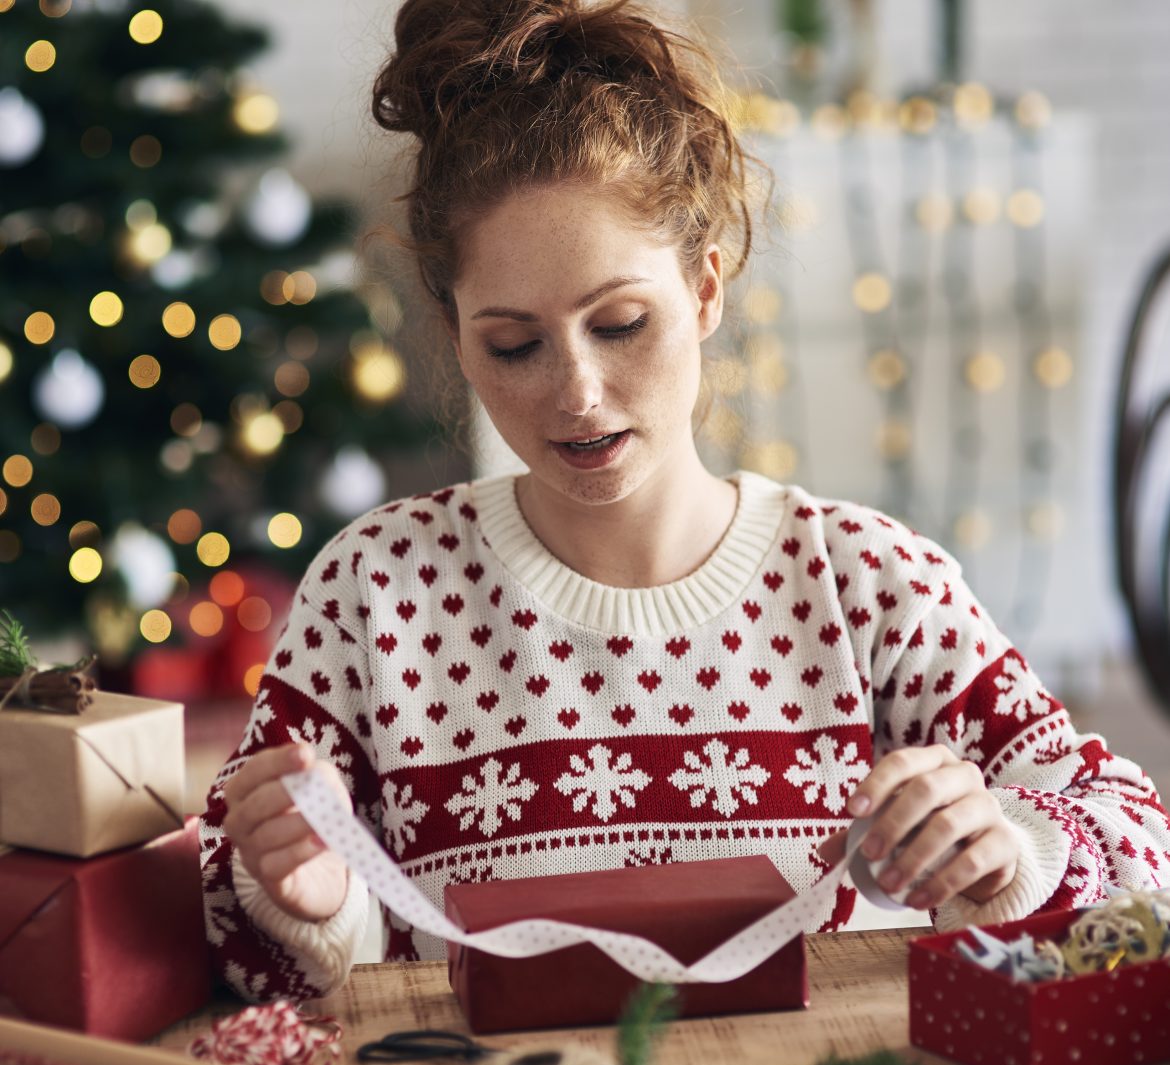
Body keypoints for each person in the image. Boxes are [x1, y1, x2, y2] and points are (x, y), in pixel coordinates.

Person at [200, 0, 1170, 1002]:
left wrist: (1011, 856)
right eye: (513, 344)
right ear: (454, 335)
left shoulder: (872, 585)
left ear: (707, 291)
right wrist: (308, 905)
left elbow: (1145, 852)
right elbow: (231, 940)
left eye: (621, 323)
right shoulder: (376, 593)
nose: (574, 391)